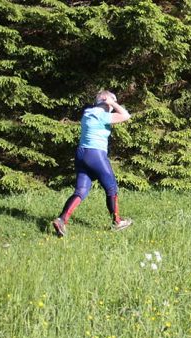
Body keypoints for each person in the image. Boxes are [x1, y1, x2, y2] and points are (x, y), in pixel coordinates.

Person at [52, 90, 132, 237]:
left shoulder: (88, 113)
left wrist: (107, 103)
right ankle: (117, 222)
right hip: (95, 154)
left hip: (81, 154)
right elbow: (126, 116)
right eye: (112, 104)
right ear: (105, 101)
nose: (112, 108)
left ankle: (61, 220)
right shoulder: (101, 114)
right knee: (111, 187)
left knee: (81, 190)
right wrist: (111, 102)